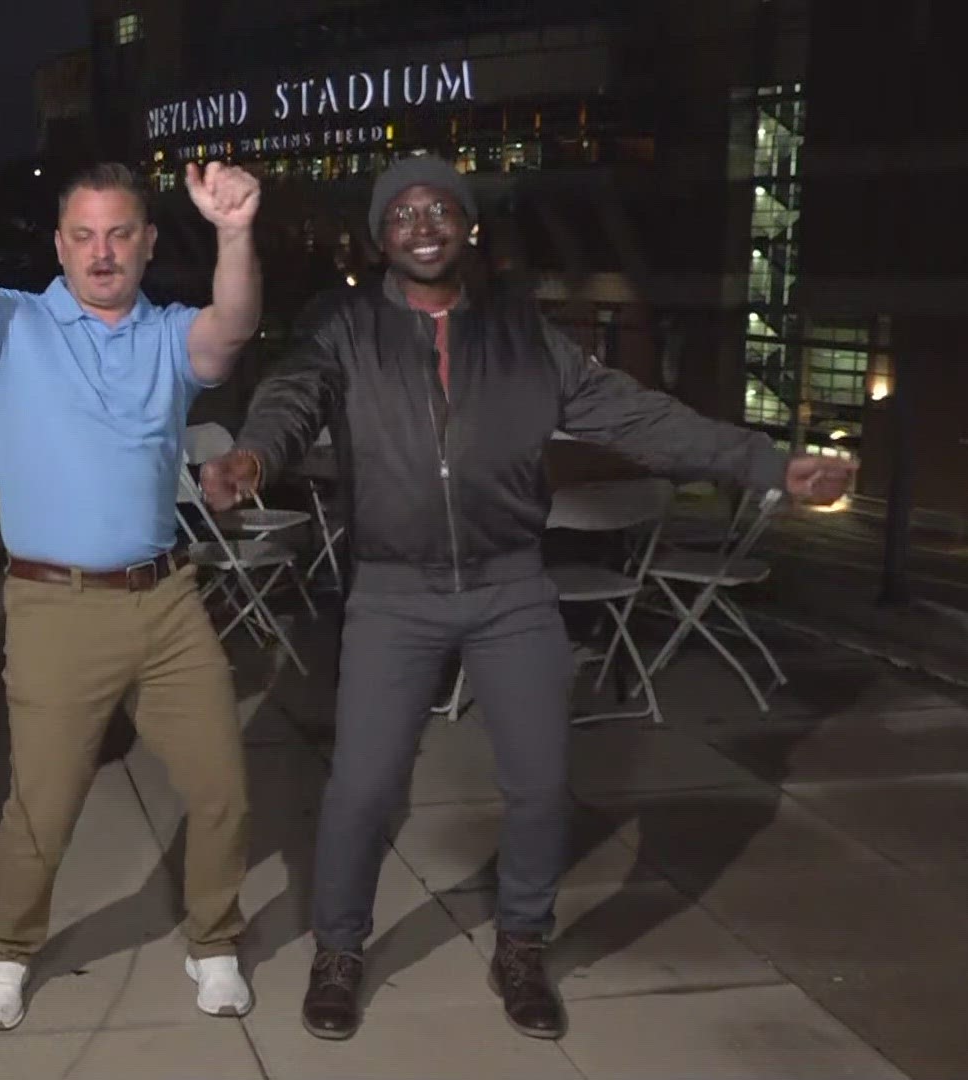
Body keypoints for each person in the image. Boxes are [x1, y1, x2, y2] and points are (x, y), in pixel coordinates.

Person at [198, 155, 855, 1043]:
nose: (423, 223)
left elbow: (642, 417)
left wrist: (774, 464)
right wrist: (252, 458)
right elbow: (291, 398)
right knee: (361, 788)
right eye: (403, 212)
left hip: (512, 586)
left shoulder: (523, 337)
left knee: (542, 786)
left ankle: (521, 945)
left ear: (467, 227)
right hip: (394, 595)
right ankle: (340, 950)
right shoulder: (345, 329)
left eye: (441, 208)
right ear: (380, 235)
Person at [0, 161, 263, 1030]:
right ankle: (11, 951)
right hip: (55, 608)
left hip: (169, 601)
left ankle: (213, 940)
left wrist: (234, 231)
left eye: (119, 235)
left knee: (223, 786)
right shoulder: (14, 324)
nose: (101, 254)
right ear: (59, 244)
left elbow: (232, 330)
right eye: (83, 235)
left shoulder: (170, 334)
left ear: (145, 243)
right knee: (43, 802)